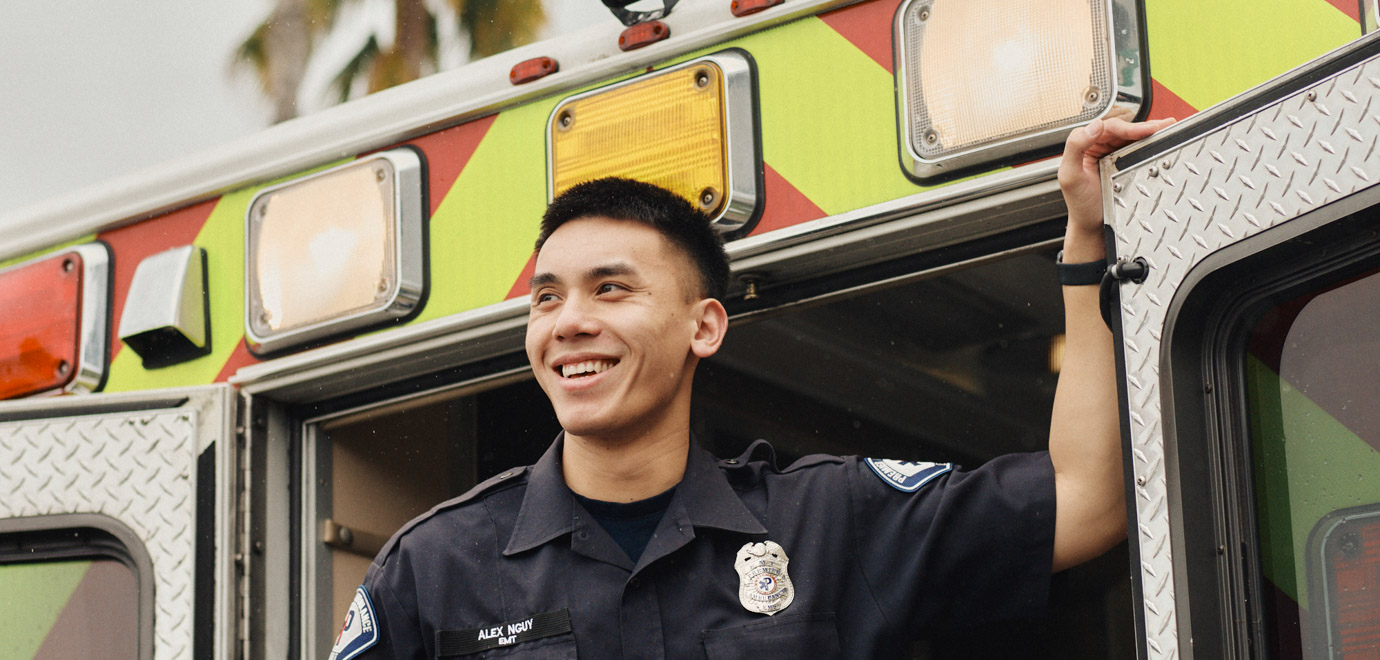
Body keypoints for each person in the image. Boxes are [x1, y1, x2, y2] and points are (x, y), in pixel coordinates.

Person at [328, 116, 1176, 659]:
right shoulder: (433, 569)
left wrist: (1086, 245)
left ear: (704, 327)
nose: (568, 322)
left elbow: (1087, 500)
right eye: (548, 297)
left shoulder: (830, 520)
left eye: (611, 290)